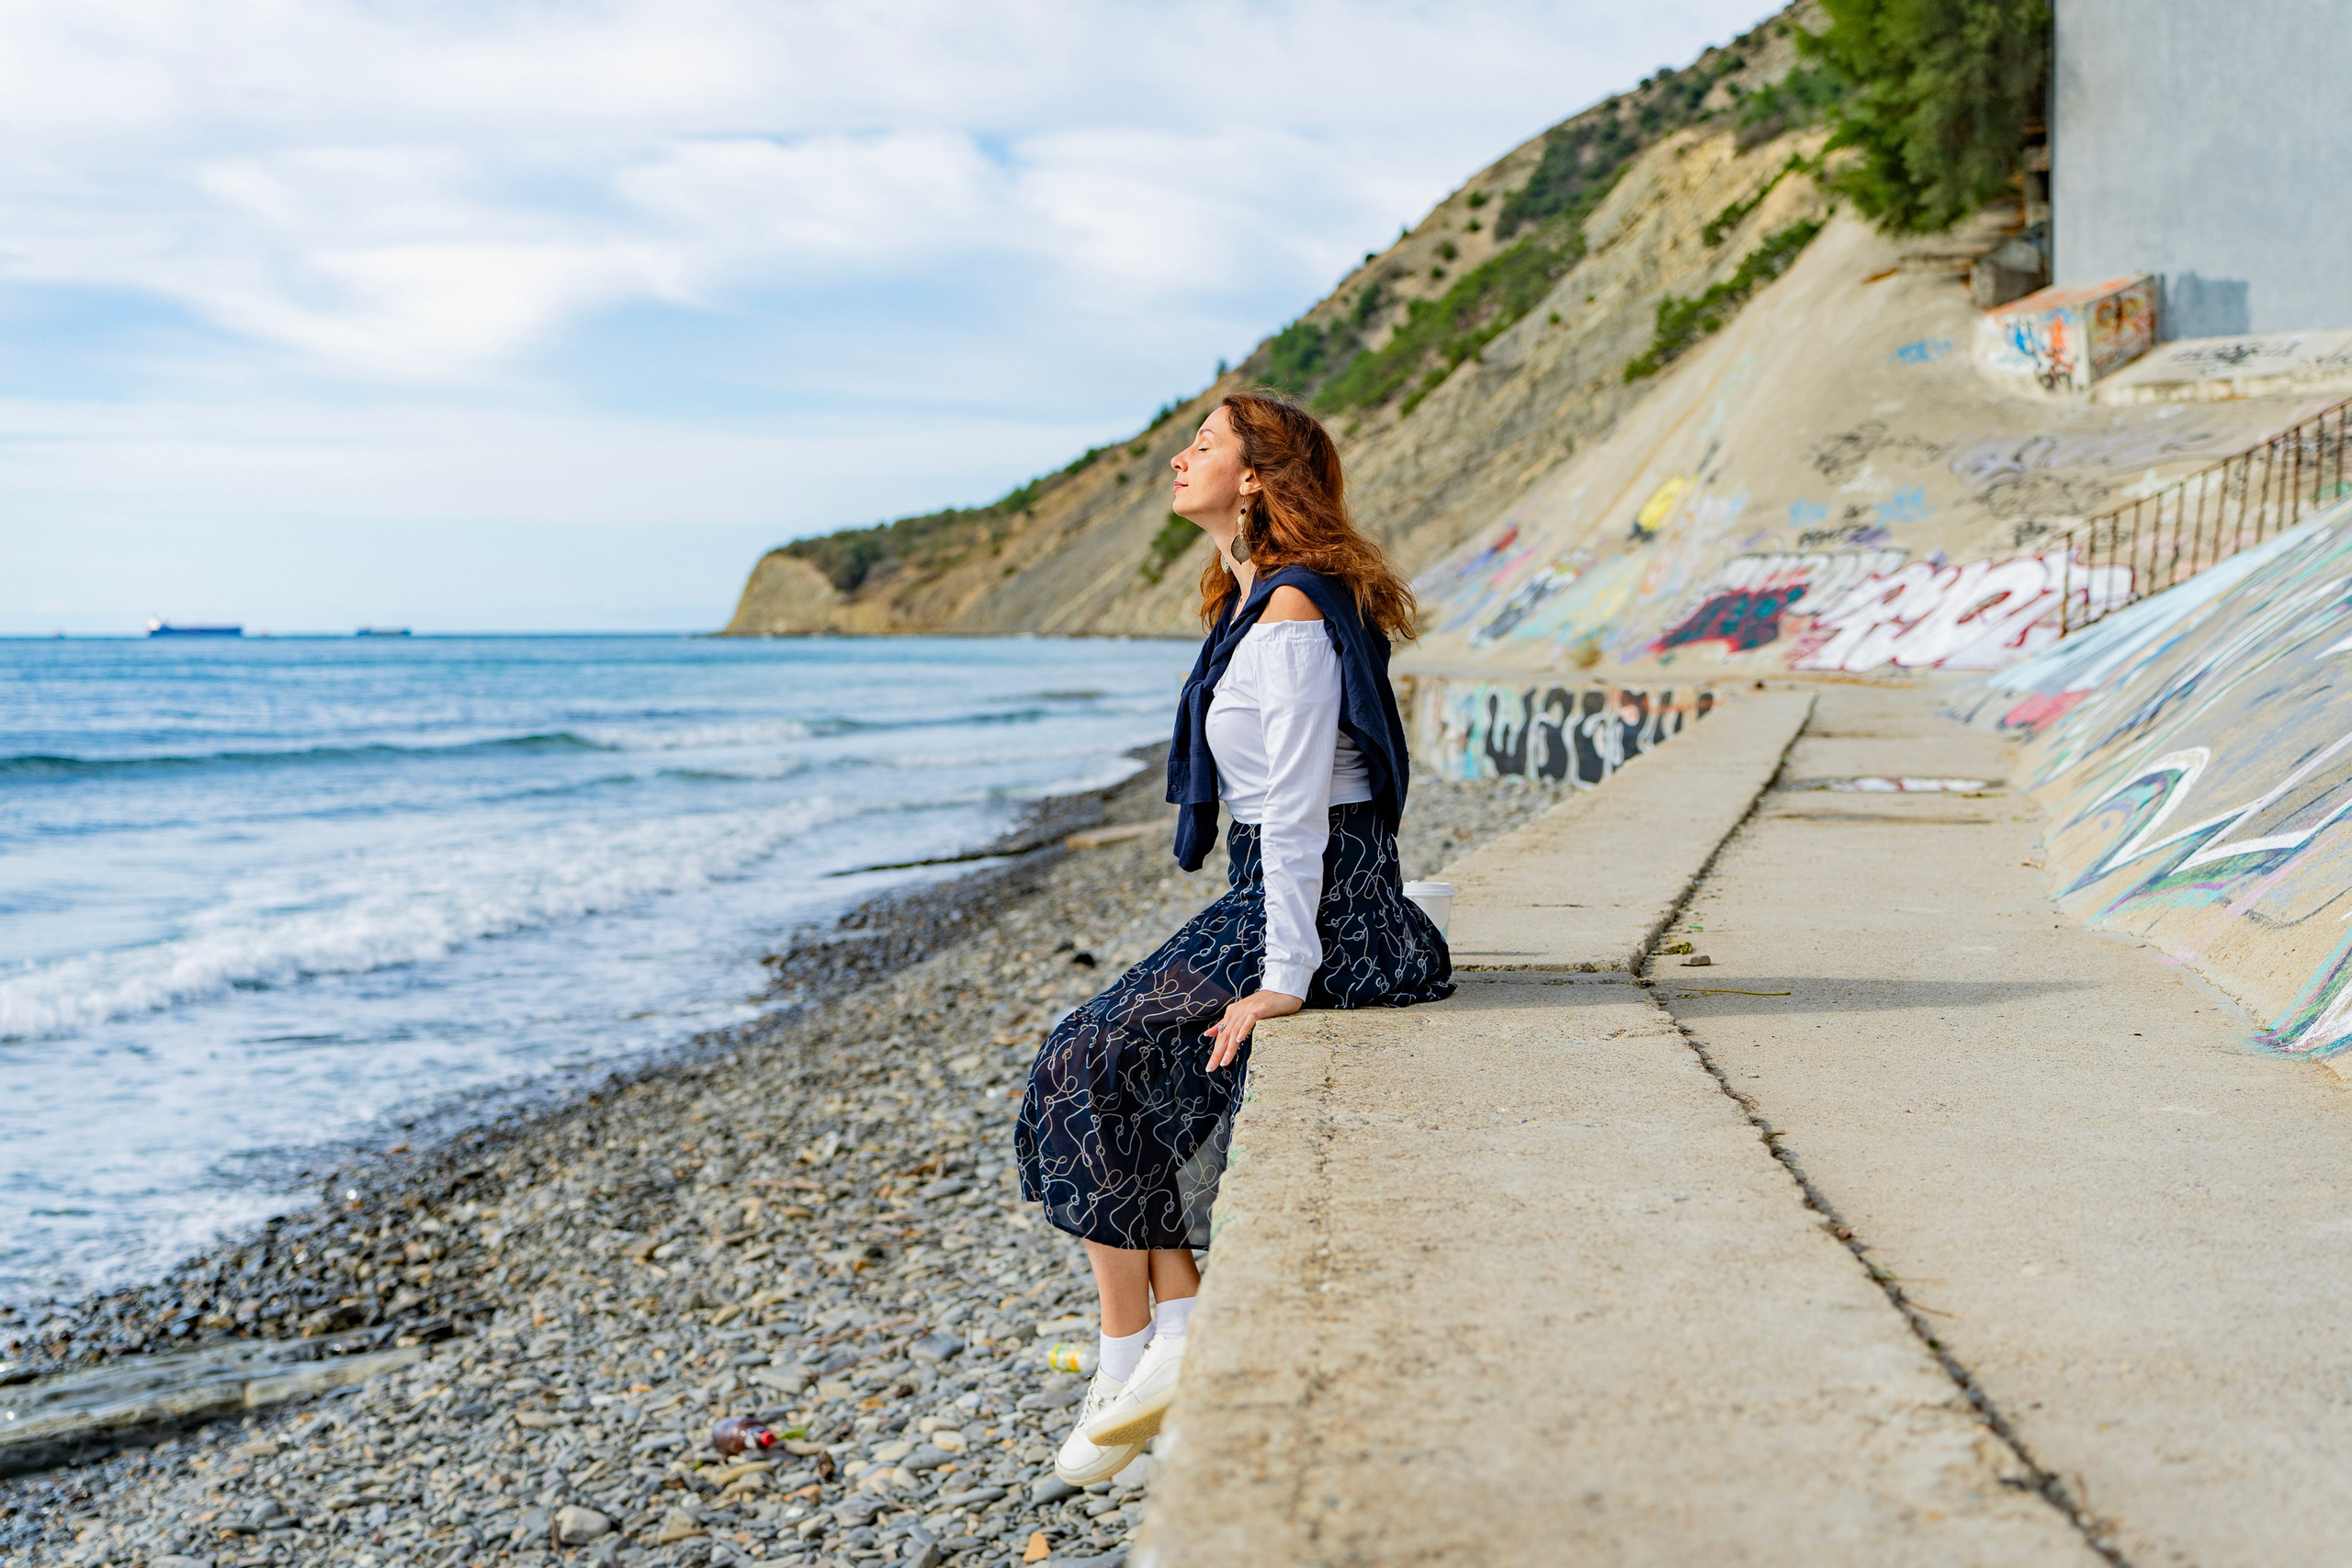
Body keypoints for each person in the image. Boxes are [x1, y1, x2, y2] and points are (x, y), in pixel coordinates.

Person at [1014, 389, 1454, 1485]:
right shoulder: (1247, 603)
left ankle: (1140, 1355)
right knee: (1090, 1053)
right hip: (1278, 891)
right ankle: (1160, 1340)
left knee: (1092, 1055)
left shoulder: (1295, 615)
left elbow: (1301, 812)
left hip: (1336, 909)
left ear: (1255, 476)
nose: (1178, 459)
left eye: (1202, 446)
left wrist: (1284, 980)